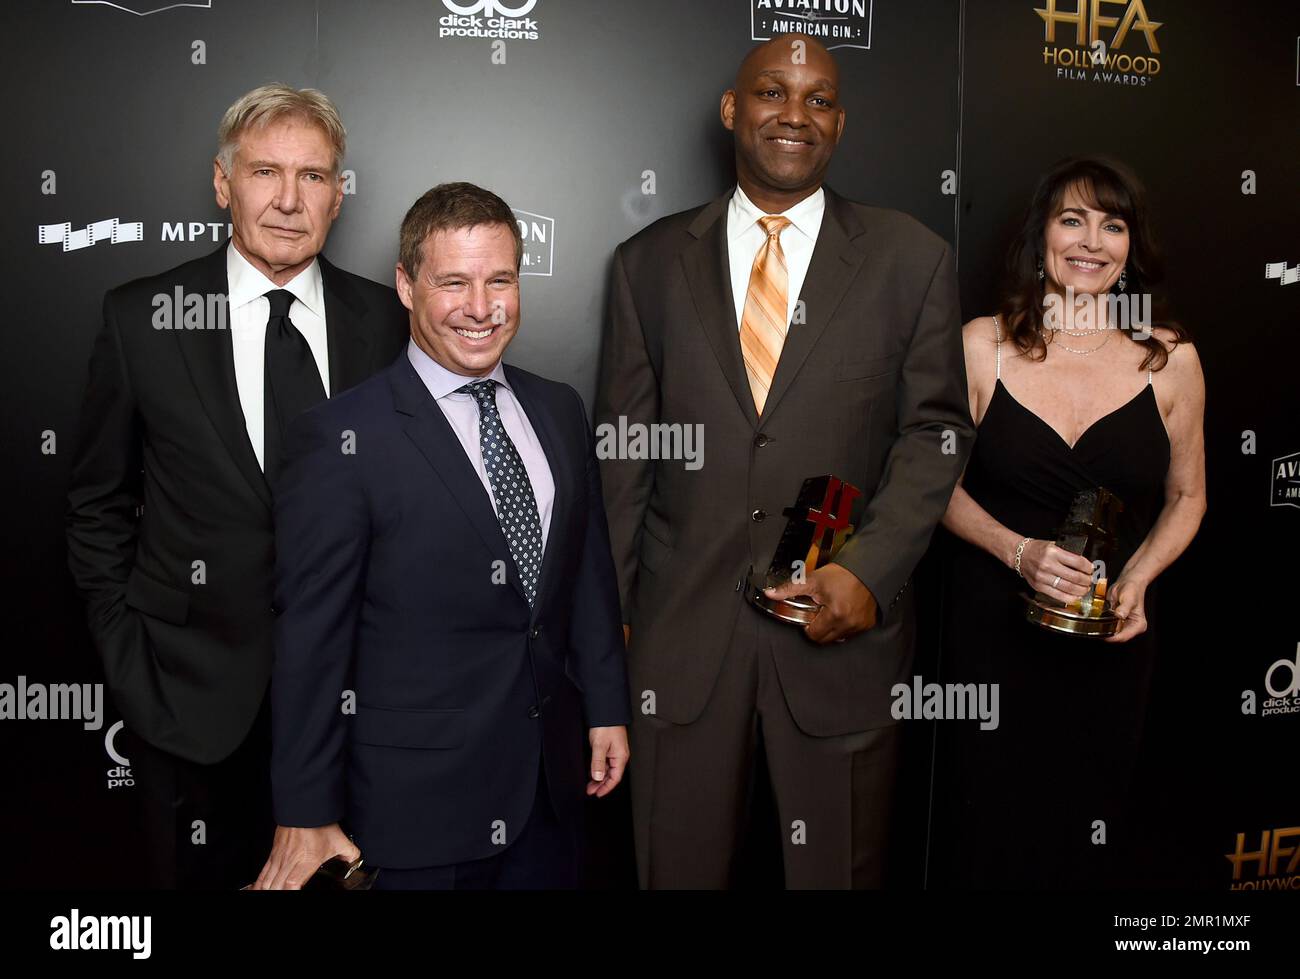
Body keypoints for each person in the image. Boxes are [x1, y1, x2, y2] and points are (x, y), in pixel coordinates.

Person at [595, 34, 973, 888]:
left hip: (837, 641)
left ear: (840, 123)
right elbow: (624, 463)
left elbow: (934, 434)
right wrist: (610, 628)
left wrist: (868, 575)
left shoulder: (910, 259)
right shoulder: (648, 265)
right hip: (680, 647)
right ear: (733, 109)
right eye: (773, 91)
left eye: (819, 99)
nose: (794, 115)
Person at [65, 84, 408, 889]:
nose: (290, 201)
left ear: (338, 193)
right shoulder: (143, 317)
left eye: (314, 176)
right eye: (265, 172)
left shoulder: (390, 323)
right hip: (191, 706)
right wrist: (132, 659)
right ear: (224, 184)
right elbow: (96, 506)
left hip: (360, 707)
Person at [255, 182, 630, 890]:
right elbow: (312, 637)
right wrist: (303, 810)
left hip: (551, 791)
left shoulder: (558, 408)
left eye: (500, 280)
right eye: (454, 282)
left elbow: (585, 576)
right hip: (413, 813)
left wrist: (608, 706)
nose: (482, 308)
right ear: (406, 285)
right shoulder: (342, 437)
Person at [930, 156, 1206, 888]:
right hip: (992, 640)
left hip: (1110, 642)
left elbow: (1188, 497)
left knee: (1091, 835)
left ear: (1131, 246)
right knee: (988, 830)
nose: (1091, 241)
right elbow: (934, 488)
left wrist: (1139, 580)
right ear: (1042, 236)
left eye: (1112, 224)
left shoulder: (1170, 358)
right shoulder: (981, 344)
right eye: (1072, 219)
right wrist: (1017, 551)